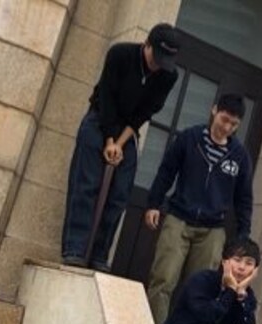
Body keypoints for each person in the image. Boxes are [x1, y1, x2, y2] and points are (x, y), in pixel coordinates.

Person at [61, 23, 179, 271]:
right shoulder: (120, 54)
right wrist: (109, 141)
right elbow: (106, 97)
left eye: (164, 62)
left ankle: (100, 255)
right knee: (86, 184)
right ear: (147, 45)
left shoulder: (168, 75)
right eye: (156, 58)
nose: (158, 65)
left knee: (120, 194)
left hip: (128, 130)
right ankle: (74, 248)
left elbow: (145, 112)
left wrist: (120, 143)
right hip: (100, 119)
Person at [145, 93, 254, 324]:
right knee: (163, 279)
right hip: (179, 218)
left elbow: (244, 198)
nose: (227, 127)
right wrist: (154, 203)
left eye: (234, 124)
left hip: (213, 229)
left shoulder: (240, 155)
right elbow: (166, 171)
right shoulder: (189, 138)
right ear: (214, 110)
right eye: (224, 120)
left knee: (200, 290)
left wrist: (243, 234)